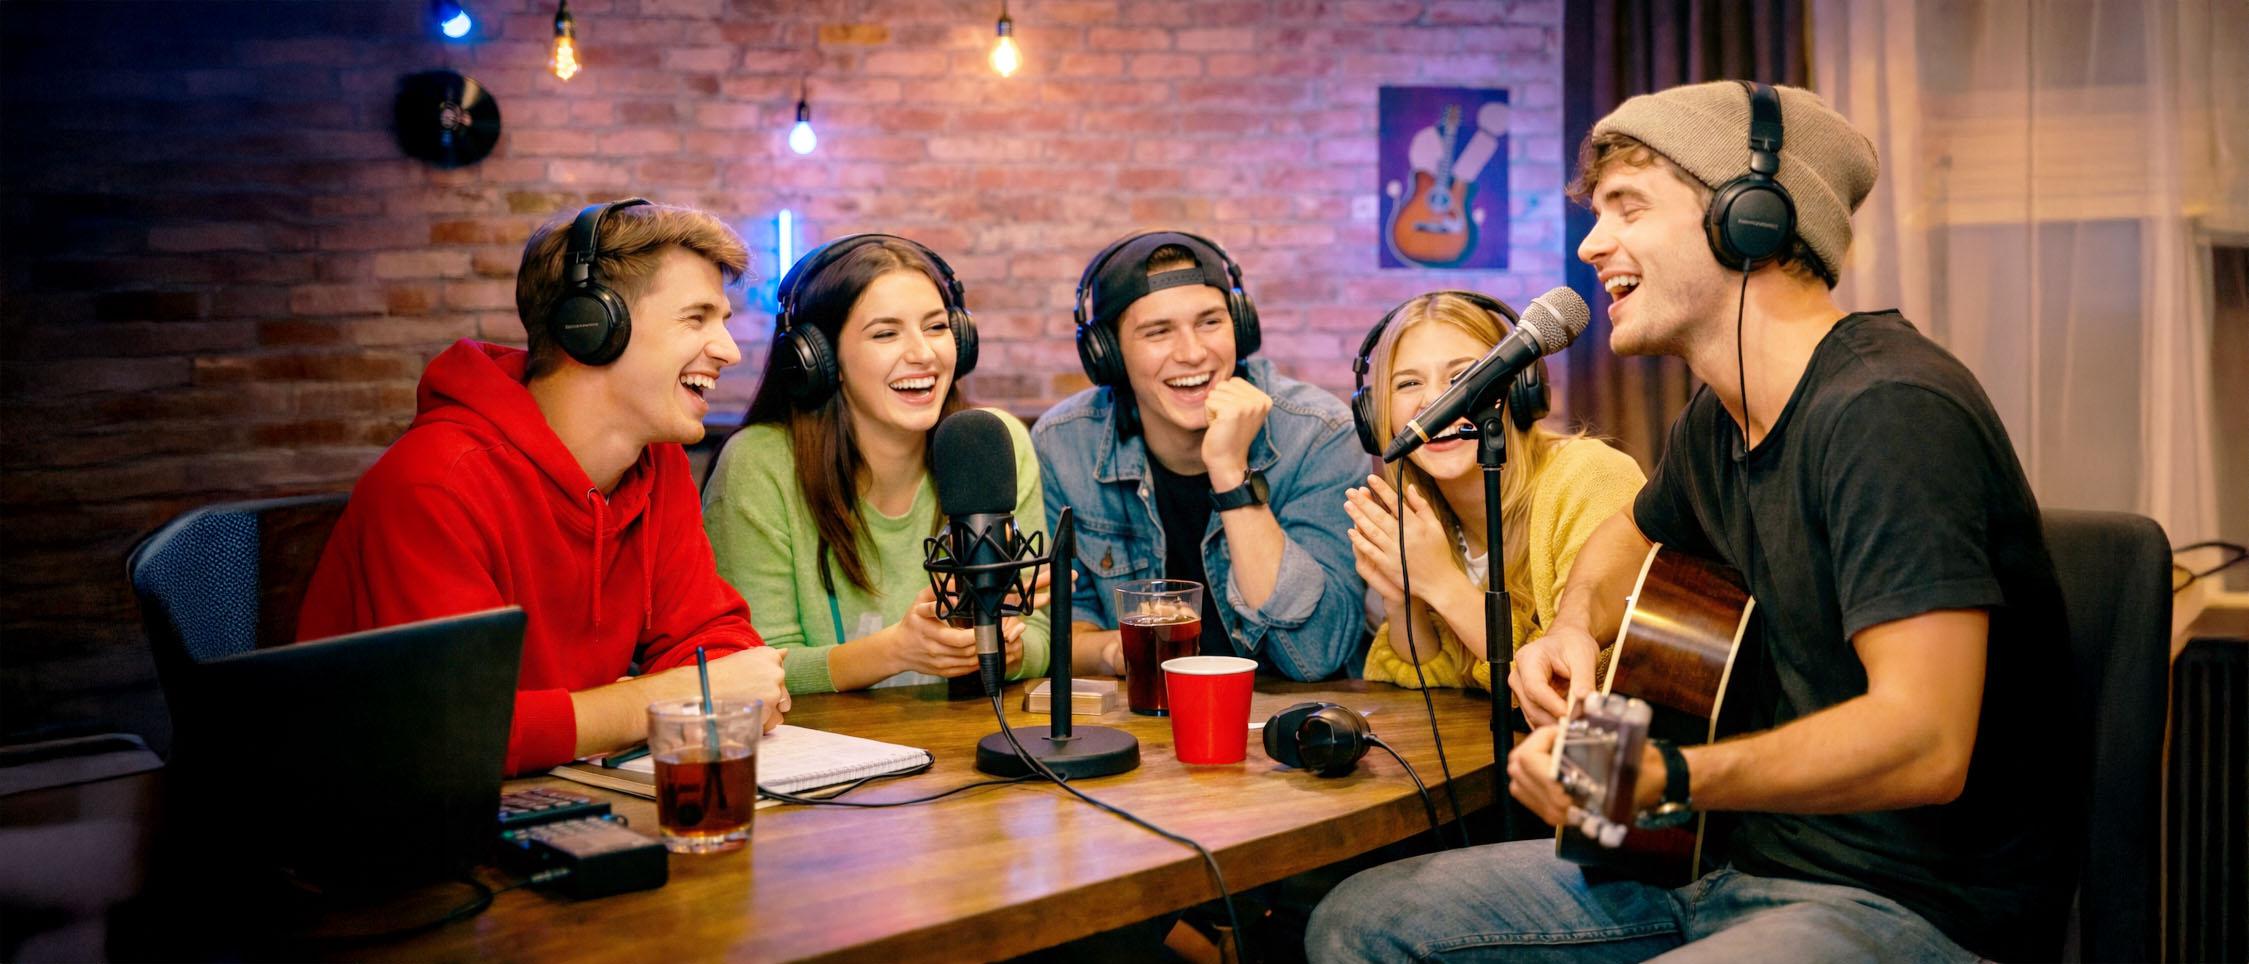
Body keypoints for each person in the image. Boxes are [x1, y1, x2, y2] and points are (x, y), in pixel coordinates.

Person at [1309, 82, 2077, 962]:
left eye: (1626, 207)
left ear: (1749, 221)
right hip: (1718, 864)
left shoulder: (1886, 411)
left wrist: (1668, 775)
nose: (1592, 245)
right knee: (1360, 923)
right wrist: (1566, 627)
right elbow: (1626, 539)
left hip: (1902, 907)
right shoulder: (1717, 421)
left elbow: (1925, 743)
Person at [299, 199, 788, 777]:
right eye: (696, 318)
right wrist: (682, 697)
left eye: (723, 321)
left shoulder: (657, 462)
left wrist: (699, 685)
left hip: (557, 797)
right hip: (380, 829)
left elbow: (716, 640)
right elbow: (459, 729)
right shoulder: (435, 484)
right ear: (592, 326)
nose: (730, 351)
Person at [703, 235, 1049, 694]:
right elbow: (748, 667)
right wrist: (897, 651)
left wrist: (1000, 645)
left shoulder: (991, 444)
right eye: (886, 333)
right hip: (821, 754)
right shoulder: (760, 464)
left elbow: (1040, 635)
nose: (923, 354)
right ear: (822, 360)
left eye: (937, 327)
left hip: (962, 746)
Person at [1034, 230, 1364, 682]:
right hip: (1138, 721)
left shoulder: (1317, 433)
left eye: (1210, 322)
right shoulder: (1064, 445)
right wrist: (1120, 652)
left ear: (1241, 328)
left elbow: (1315, 654)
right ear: (1108, 355)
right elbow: (1061, 633)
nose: (1192, 354)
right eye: (1158, 332)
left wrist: (1231, 475)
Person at [1343, 291, 1643, 691]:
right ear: (1376, 415)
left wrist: (1441, 583)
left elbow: (1591, 682)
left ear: (1518, 387)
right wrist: (1401, 599)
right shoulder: (1427, 520)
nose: (1434, 401)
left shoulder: (1591, 477)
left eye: (1462, 377)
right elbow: (1431, 687)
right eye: (1409, 383)